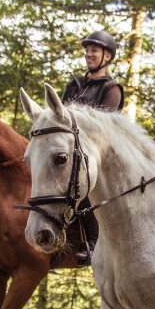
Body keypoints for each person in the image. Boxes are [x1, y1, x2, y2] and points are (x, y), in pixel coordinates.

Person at [61, 30, 124, 264]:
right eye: (87, 50)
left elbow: (102, 130)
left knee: (81, 181)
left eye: (94, 50)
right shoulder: (74, 85)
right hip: (67, 148)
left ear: (107, 56)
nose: (88, 54)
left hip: (95, 153)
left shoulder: (111, 89)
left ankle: (93, 242)